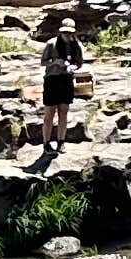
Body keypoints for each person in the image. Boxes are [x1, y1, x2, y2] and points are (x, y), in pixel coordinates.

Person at [37, 14, 88, 157]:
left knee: (63, 112)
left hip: (66, 80)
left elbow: (79, 63)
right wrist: (55, 62)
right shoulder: (51, 44)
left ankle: (61, 141)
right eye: (64, 32)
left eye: (69, 32)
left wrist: (73, 67)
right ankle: (46, 143)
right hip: (52, 80)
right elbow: (43, 62)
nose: (67, 35)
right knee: (49, 113)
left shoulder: (76, 45)